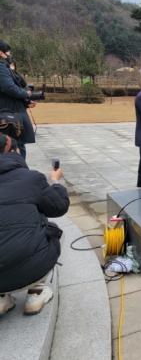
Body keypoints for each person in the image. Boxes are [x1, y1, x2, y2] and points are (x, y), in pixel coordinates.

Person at [0, 133, 69, 316]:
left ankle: (1, 298)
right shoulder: (30, 178)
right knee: (55, 231)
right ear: (13, 151)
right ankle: (36, 292)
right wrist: (55, 181)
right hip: (29, 268)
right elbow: (59, 207)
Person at [0, 40, 36, 159]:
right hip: (10, 116)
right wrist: (26, 93)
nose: (9, 55)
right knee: (15, 146)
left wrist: (26, 102)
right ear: (1, 53)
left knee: (15, 145)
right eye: (8, 52)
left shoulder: (5, 67)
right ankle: (18, 170)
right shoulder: (1, 67)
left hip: (10, 111)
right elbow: (9, 88)